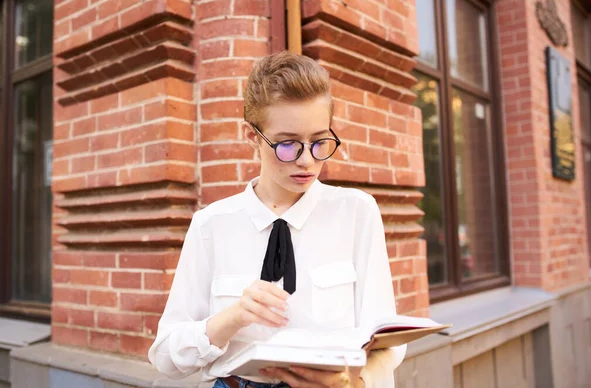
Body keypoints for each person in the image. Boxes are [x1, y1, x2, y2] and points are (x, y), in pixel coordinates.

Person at [148, 51, 407, 387]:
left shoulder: (357, 212)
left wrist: (357, 384)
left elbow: (385, 338)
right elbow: (166, 356)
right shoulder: (211, 225)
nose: (306, 161)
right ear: (252, 136)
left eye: (319, 141)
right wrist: (233, 317)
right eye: (287, 145)